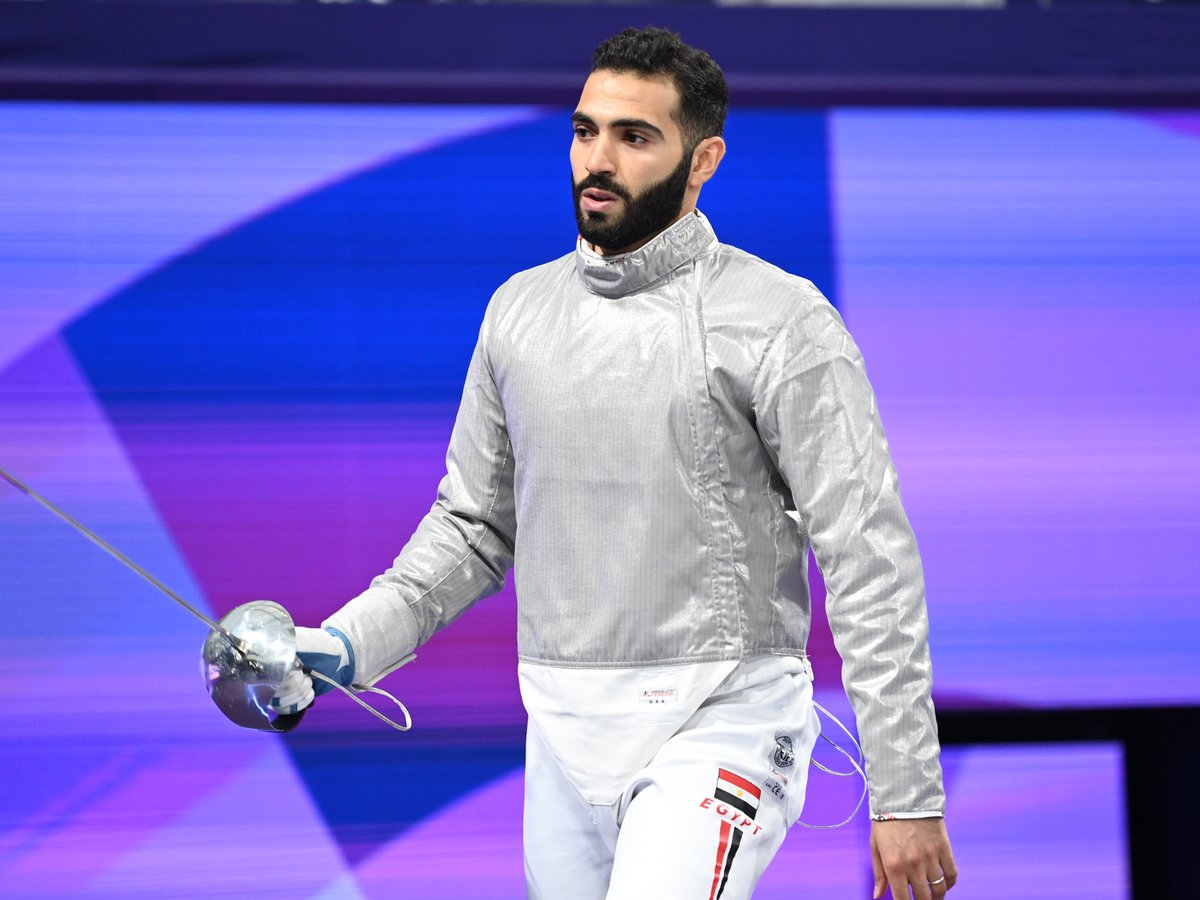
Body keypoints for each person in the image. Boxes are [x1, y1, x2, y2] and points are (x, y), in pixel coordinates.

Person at [272, 26, 957, 900]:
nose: (599, 159)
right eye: (585, 130)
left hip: (725, 719)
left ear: (702, 158)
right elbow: (473, 529)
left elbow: (867, 558)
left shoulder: (780, 320)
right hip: (561, 734)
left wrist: (906, 795)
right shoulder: (519, 313)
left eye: (635, 137)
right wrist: (340, 648)